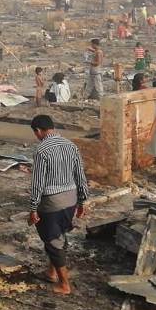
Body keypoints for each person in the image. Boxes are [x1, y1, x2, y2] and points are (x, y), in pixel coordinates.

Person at [28, 115, 88, 296]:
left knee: (53, 241)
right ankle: (51, 272)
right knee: (59, 234)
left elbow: (37, 183)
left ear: (38, 131)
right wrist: (82, 200)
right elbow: (80, 174)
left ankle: (64, 284)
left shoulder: (41, 151)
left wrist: (33, 208)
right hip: (70, 199)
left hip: (52, 201)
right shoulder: (71, 146)